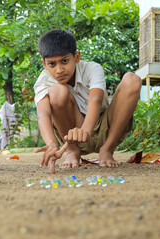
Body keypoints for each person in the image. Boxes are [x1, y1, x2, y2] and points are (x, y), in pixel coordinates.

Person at [34, 29, 141, 173]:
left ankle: (107, 149)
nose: (59, 70)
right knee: (57, 91)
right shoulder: (43, 81)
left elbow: (95, 100)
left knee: (132, 79)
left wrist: (86, 130)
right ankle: (72, 152)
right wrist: (52, 144)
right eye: (52, 64)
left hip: (106, 128)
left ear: (76, 57)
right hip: (72, 136)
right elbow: (43, 115)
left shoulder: (92, 68)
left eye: (64, 61)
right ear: (44, 64)